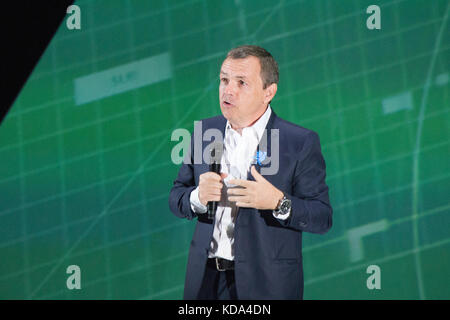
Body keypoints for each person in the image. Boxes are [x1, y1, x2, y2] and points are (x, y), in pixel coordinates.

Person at [169, 45, 332, 300]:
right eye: (224, 80)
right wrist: (198, 197)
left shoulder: (298, 142)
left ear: (269, 92)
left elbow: (322, 217)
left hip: (266, 285)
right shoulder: (204, 132)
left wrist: (279, 202)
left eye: (241, 82)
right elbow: (176, 196)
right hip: (205, 280)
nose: (228, 90)